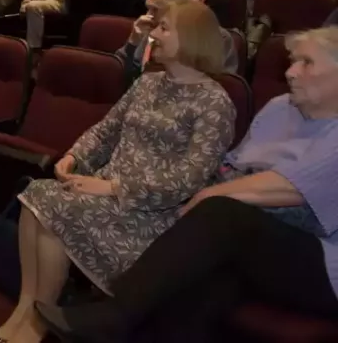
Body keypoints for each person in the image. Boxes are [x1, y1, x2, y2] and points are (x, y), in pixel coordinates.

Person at [36, 27, 338, 343]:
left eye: (307, 63)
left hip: (322, 261)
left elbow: (291, 188)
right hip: (260, 238)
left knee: (221, 215)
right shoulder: (279, 108)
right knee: (206, 282)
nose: (290, 72)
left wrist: (210, 194)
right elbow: (233, 165)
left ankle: (113, 315)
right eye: (292, 61)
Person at [0, 0, 235, 343]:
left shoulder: (215, 102)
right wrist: (75, 156)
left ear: (191, 37)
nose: (154, 34)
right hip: (106, 191)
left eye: (163, 28)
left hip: (152, 214)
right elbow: (106, 130)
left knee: (54, 207)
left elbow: (189, 179)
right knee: (37, 194)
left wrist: (114, 187)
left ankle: (34, 329)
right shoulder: (148, 83)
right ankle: (26, 313)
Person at [116, 0, 237, 81]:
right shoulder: (149, 29)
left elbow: (224, 84)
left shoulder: (217, 37)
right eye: (148, 9)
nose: (148, 16)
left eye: (155, 10)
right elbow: (119, 71)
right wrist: (132, 42)